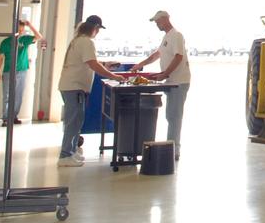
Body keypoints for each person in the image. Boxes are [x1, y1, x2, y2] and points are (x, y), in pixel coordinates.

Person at [57, 14, 122, 167]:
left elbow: (89, 62)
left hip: (72, 86)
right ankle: (65, 155)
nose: (98, 32)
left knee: (76, 120)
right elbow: (92, 64)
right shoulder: (86, 42)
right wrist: (114, 76)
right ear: (95, 28)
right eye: (98, 29)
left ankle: (71, 151)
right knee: (73, 122)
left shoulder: (79, 40)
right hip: (74, 87)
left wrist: (106, 64)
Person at [132, 10, 190, 159]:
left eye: (158, 21)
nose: (157, 24)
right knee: (170, 116)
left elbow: (179, 57)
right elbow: (157, 54)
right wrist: (141, 64)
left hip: (179, 81)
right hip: (171, 81)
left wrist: (165, 74)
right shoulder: (166, 38)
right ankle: (171, 145)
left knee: (175, 116)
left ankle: (174, 148)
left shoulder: (176, 35)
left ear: (166, 19)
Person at [0, 17, 45, 127]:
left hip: (22, 71)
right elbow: (0, 58)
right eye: (19, 29)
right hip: (8, 71)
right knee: (7, 95)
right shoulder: (6, 42)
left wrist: (30, 25)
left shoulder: (25, 39)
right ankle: (6, 118)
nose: (20, 32)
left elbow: (39, 37)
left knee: (18, 96)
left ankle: (13, 116)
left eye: (22, 30)